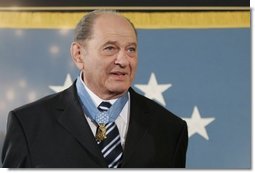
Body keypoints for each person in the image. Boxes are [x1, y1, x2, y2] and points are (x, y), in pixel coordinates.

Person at [1, 10, 188, 168]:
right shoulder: (28, 124)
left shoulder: (170, 130)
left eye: (131, 49)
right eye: (110, 48)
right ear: (79, 54)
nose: (123, 61)